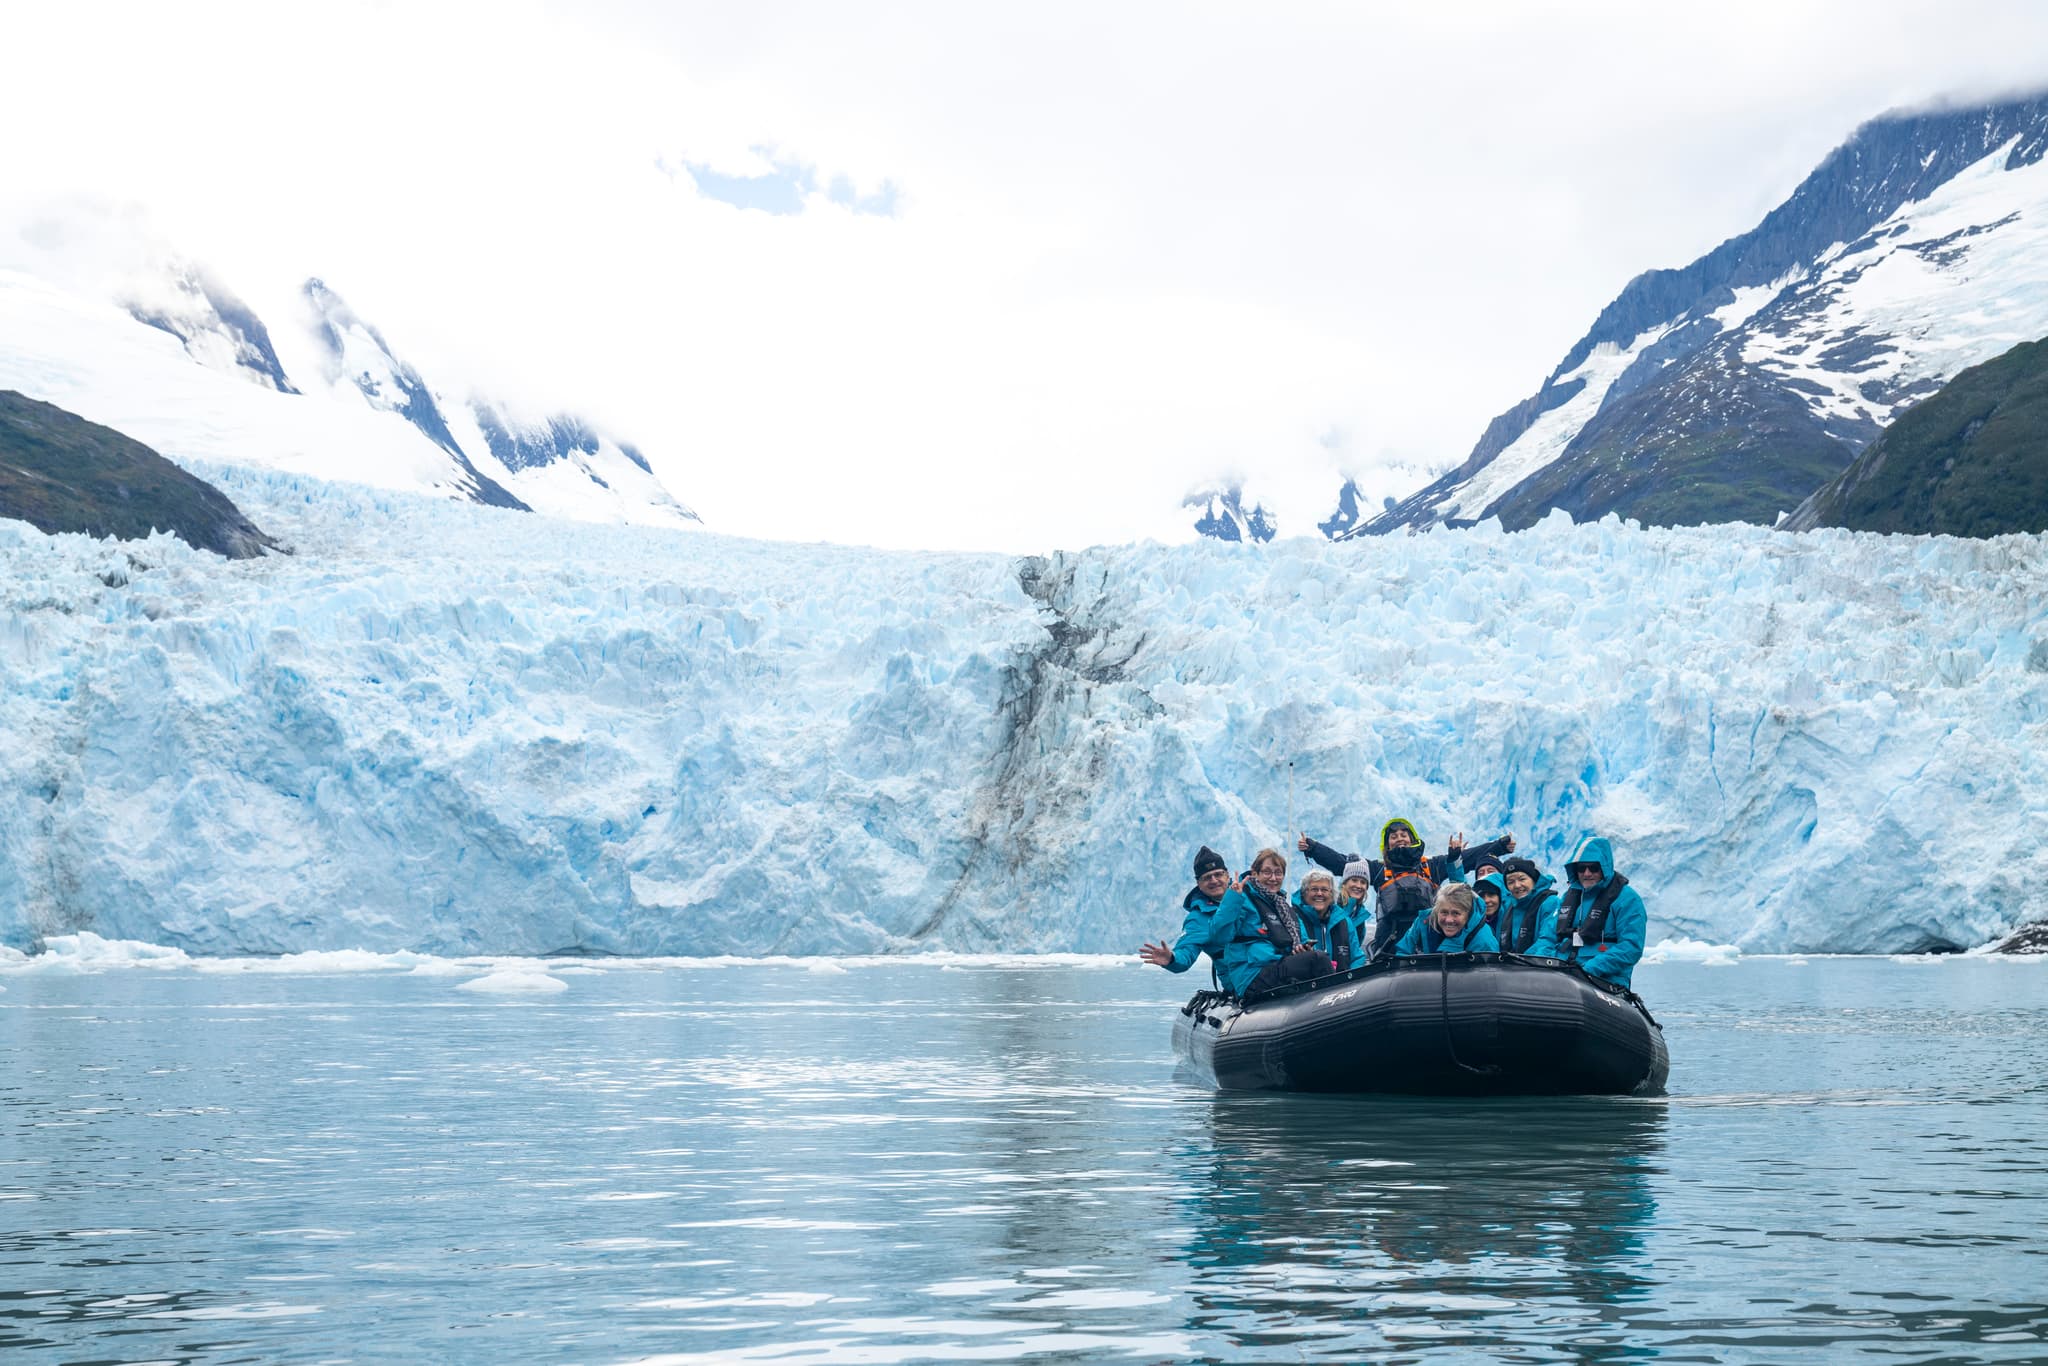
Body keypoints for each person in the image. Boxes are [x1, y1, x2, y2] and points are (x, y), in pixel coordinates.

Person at [1299, 819, 1515, 961]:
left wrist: (1500, 846)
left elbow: (1468, 858)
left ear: (1412, 839)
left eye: (1404, 834)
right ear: (1387, 844)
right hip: (1389, 943)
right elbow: (1341, 863)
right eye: (1393, 836)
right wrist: (1314, 848)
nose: (1399, 838)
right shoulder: (1378, 870)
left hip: (1428, 938)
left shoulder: (1430, 866)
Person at [1530, 836, 1647, 990]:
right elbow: (1548, 937)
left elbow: (1631, 947)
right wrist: (1534, 960)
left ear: (1604, 867)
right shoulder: (1569, 897)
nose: (1587, 873)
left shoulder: (1627, 899)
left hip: (1604, 981)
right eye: (1581, 868)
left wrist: (1588, 970)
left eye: (1593, 868)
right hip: (1561, 975)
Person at [1218, 848, 1334, 997]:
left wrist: (1303, 949)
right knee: (1318, 959)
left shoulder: (1284, 908)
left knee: (1316, 957)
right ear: (1255, 873)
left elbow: (1303, 939)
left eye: (1278, 873)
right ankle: (1337, 1004)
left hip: (1278, 969)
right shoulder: (1242, 900)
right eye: (1267, 872)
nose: (1273, 878)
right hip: (1253, 975)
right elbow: (1220, 934)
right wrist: (1233, 898)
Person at [1139, 845, 1234, 982]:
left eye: (1218, 874)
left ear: (1227, 875)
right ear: (1198, 883)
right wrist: (1172, 959)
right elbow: (1186, 952)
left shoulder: (1249, 895)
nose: (1214, 880)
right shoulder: (1199, 919)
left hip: (1268, 967)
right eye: (1207, 877)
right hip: (1242, 981)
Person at [1394, 883, 1500, 955]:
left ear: (1468, 913)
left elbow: (1489, 978)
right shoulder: (1423, 923)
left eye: (1456, 913)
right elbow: (1403, 952)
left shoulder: (1483, 939)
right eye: (1444, 912)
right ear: (1436, 910)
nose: (1449, 920)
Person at [1292, 870, 1357, 972]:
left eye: (1324, 890)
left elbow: (1357, 958)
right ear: (1304, 893)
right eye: (1314, 889)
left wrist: (1351, 982)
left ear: (1332, 895)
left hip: (1342, 985)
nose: (1319, 893)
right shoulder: (1292, 918)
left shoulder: (1343, 921)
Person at [1496, 856, 1559, 955]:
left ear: (1533, 879)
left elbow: (1548, 940)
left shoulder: (1550, 902)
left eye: (1522, 879)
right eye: (1511, 882)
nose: (1517, 885)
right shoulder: (1510, 907)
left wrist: (1523, 964)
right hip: (1514, 968)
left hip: (1539, 966)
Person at [1470, 871, 1508, 937]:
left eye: (1491, 894)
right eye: (1481, 896)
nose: (1486, 900)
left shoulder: (1512, 916)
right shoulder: (1473, 921)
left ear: (1500, 897)